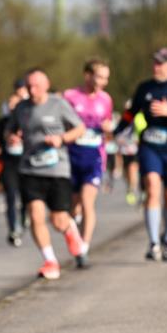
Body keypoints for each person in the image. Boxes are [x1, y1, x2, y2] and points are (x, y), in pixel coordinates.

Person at [115, 47, 167, 262]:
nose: (156, 67)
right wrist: (115, 131)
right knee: (152, 186)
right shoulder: (145, 88)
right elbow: (130, 112)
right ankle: (153, 243)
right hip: (149, 146)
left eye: (161, 63)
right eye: (154, 62)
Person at [5, 69, 86, 279]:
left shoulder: (58, 104)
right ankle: (50, 261)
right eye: (29, 86)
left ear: (46, 85)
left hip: (56, 169)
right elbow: (9, 130)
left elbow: (80, 129)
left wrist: (62, 139)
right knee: (35, 215)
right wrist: (11, 137)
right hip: (30, 168)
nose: (32, 91)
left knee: (58, 220)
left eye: (36, 86)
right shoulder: (21, 108)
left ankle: (70, 228)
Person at [62, 58, 114, 268]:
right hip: (71, 156)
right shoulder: (70, 96)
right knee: (72, 208)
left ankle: (84, 247)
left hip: (94, 156)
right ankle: (75, 235)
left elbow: (108, 126)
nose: (103, 82)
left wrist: (109, 129)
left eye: (106, 78)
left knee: (87, 201)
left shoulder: (106, 99)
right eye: (100, 76)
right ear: (87, 75)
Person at [0, 80, 29, 246]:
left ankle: (23, 220)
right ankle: (13, 229)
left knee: (25, 196)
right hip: (8, 163)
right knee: (10, 197)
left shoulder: (28, 119)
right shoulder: (3, 122)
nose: (14, 107)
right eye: (11, 104)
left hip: (26, 162)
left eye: (17, 103)